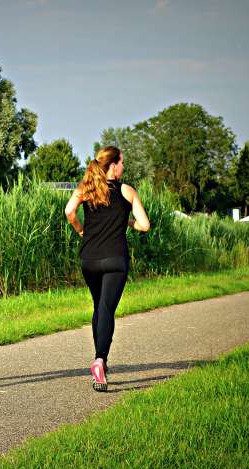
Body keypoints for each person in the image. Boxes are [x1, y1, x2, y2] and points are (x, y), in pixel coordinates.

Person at [64, 146, 150, 391]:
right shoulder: (126, 191)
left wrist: (81, 231)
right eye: (122, 163)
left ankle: (99, 360)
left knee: (98, 307)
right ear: (113, 165)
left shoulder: (87, 188)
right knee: (106, 309)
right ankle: (100, 360)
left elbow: (69, 211)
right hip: (115, 260)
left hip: (89, 259)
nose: (124, 167)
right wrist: (128, 221)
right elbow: (144, 225)